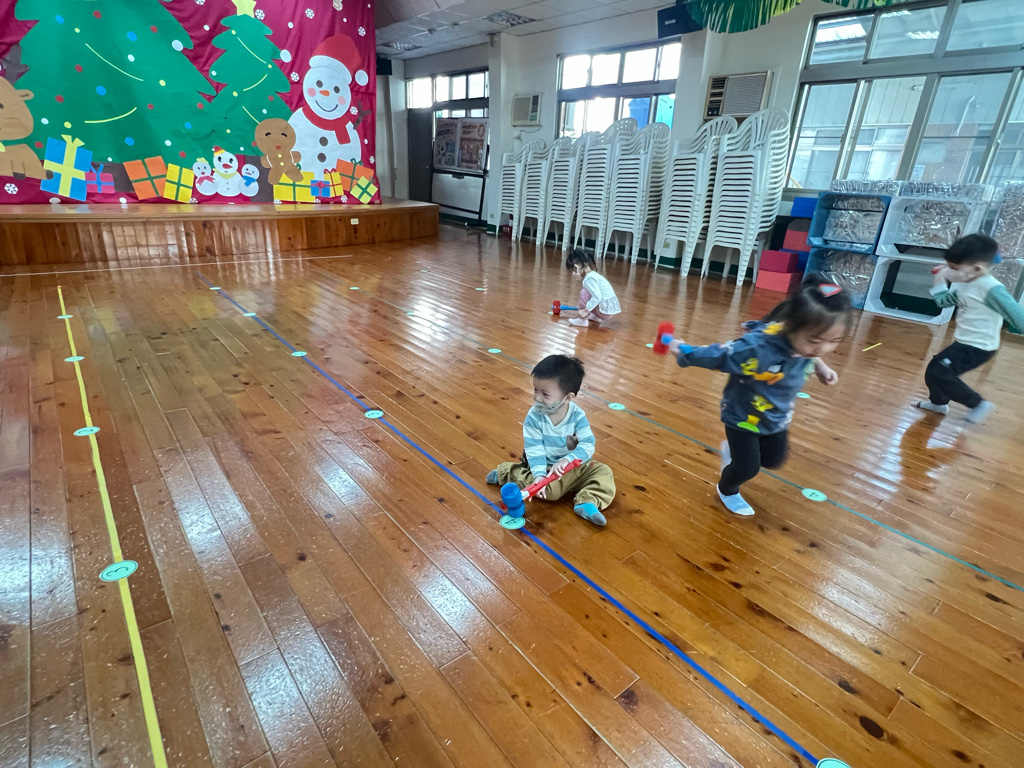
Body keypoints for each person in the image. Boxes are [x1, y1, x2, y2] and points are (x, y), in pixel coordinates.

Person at [668, 275, 852, 516]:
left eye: (834, 341)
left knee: (774, 460)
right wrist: (683, 351)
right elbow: (719, 355)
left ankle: (733, 453)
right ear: (790, 326)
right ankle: (727, 490)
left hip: (777, 416)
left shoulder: (807, 347)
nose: (823, 349)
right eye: (815, 340)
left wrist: (820, 366)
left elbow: (812, 353)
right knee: (747, 467)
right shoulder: (757, 349)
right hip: (742, 415)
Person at [486, 355, 615, 526]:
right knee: (550, 493)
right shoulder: (534, 417)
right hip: (547, 468)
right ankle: (508, 472)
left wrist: (568, 460)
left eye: (545, 394)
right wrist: (539, 475)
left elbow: (588, 444)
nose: (537, 397)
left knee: (604, 472)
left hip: (575, 466)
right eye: (535, 390)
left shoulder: (577, 416)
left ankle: (587, 501)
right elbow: (534, 450)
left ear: (567, 398)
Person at [915, 234, 1024, 424]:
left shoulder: (991, 288)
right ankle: (938, 404)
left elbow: (1019, 318)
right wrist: (940, 282)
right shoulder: (963, 281)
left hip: (978, 347)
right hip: (964, 342)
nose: (947, 270)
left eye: (954, 268)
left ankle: (978, 404)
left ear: (976, 269)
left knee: (940, 372)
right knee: (933, 370)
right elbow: (945, 302)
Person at [565, 249, 621, 328]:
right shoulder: (594, 275)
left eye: (574, 270)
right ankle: (595, 317)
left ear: (577, 267)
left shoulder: (588, 279)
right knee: (590, 294)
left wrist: (585, 311)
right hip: (609, 310)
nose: (573, 273)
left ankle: (582, 320)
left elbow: (597, 296)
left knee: (584, 293)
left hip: (604, 312)